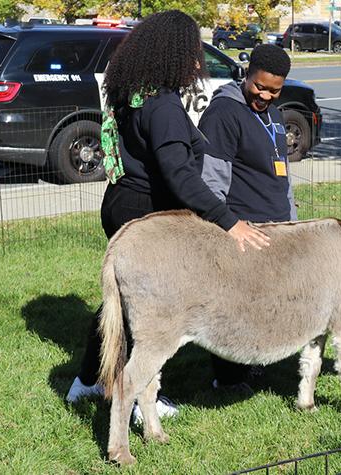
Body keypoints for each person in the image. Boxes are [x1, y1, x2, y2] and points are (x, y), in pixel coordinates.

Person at [66, 10, 270, 421]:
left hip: (119, 200)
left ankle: (87, 381)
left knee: (120, 302)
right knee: (153, 312)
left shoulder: (132, 90)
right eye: (192, 55)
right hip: (147, 212)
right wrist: (229, 221)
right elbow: (178, 176)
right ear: (171, 55)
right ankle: (144, 400)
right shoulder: (163, 106)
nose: (197, 65)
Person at [198, 44, 296, 389]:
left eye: (274, 90)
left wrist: (292, 222)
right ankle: (228, 378)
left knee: (266, 303)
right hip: (243, 228)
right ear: (246, 74)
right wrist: (223, 227)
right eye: (260, 86)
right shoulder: (223, 113)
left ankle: (256, 362)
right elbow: (211, 180)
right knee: (236, 305)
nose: (265, 95)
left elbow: (281, 177)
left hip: (279, 229)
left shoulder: (276, 114)